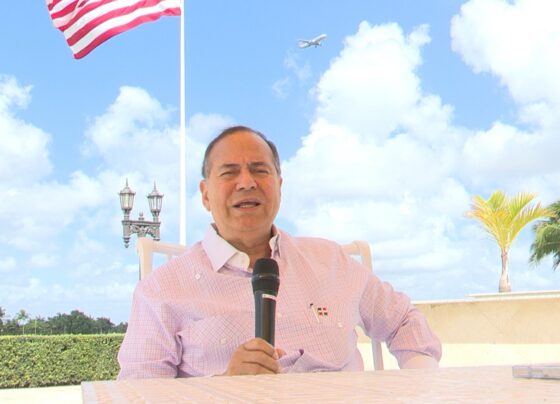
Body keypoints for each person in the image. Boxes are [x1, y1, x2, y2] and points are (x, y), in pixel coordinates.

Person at [118, 126, 441, 378]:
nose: (247, 182)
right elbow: (138, 393)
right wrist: (222, 388)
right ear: (205, 195)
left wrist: (418, 381)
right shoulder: (161, 290)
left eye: (260, 170)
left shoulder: (331, 262)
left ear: (279, 185)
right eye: (229, 172)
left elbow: (403, 321)